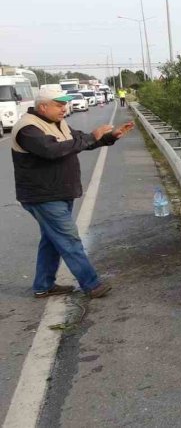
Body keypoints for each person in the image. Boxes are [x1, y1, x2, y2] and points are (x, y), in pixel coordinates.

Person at [11, 87, 134, 299]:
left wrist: (109, 137)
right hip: (43, 196)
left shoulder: (57, 123)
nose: (64, 108)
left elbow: (79, 141)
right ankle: (92, 284)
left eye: (64, 104)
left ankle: (43, 285)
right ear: (43, 106)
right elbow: (52, 151)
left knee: (52, 240)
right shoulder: (28, 129)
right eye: (59, 105)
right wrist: (90, 138)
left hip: (59, 192)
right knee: (69, 240)